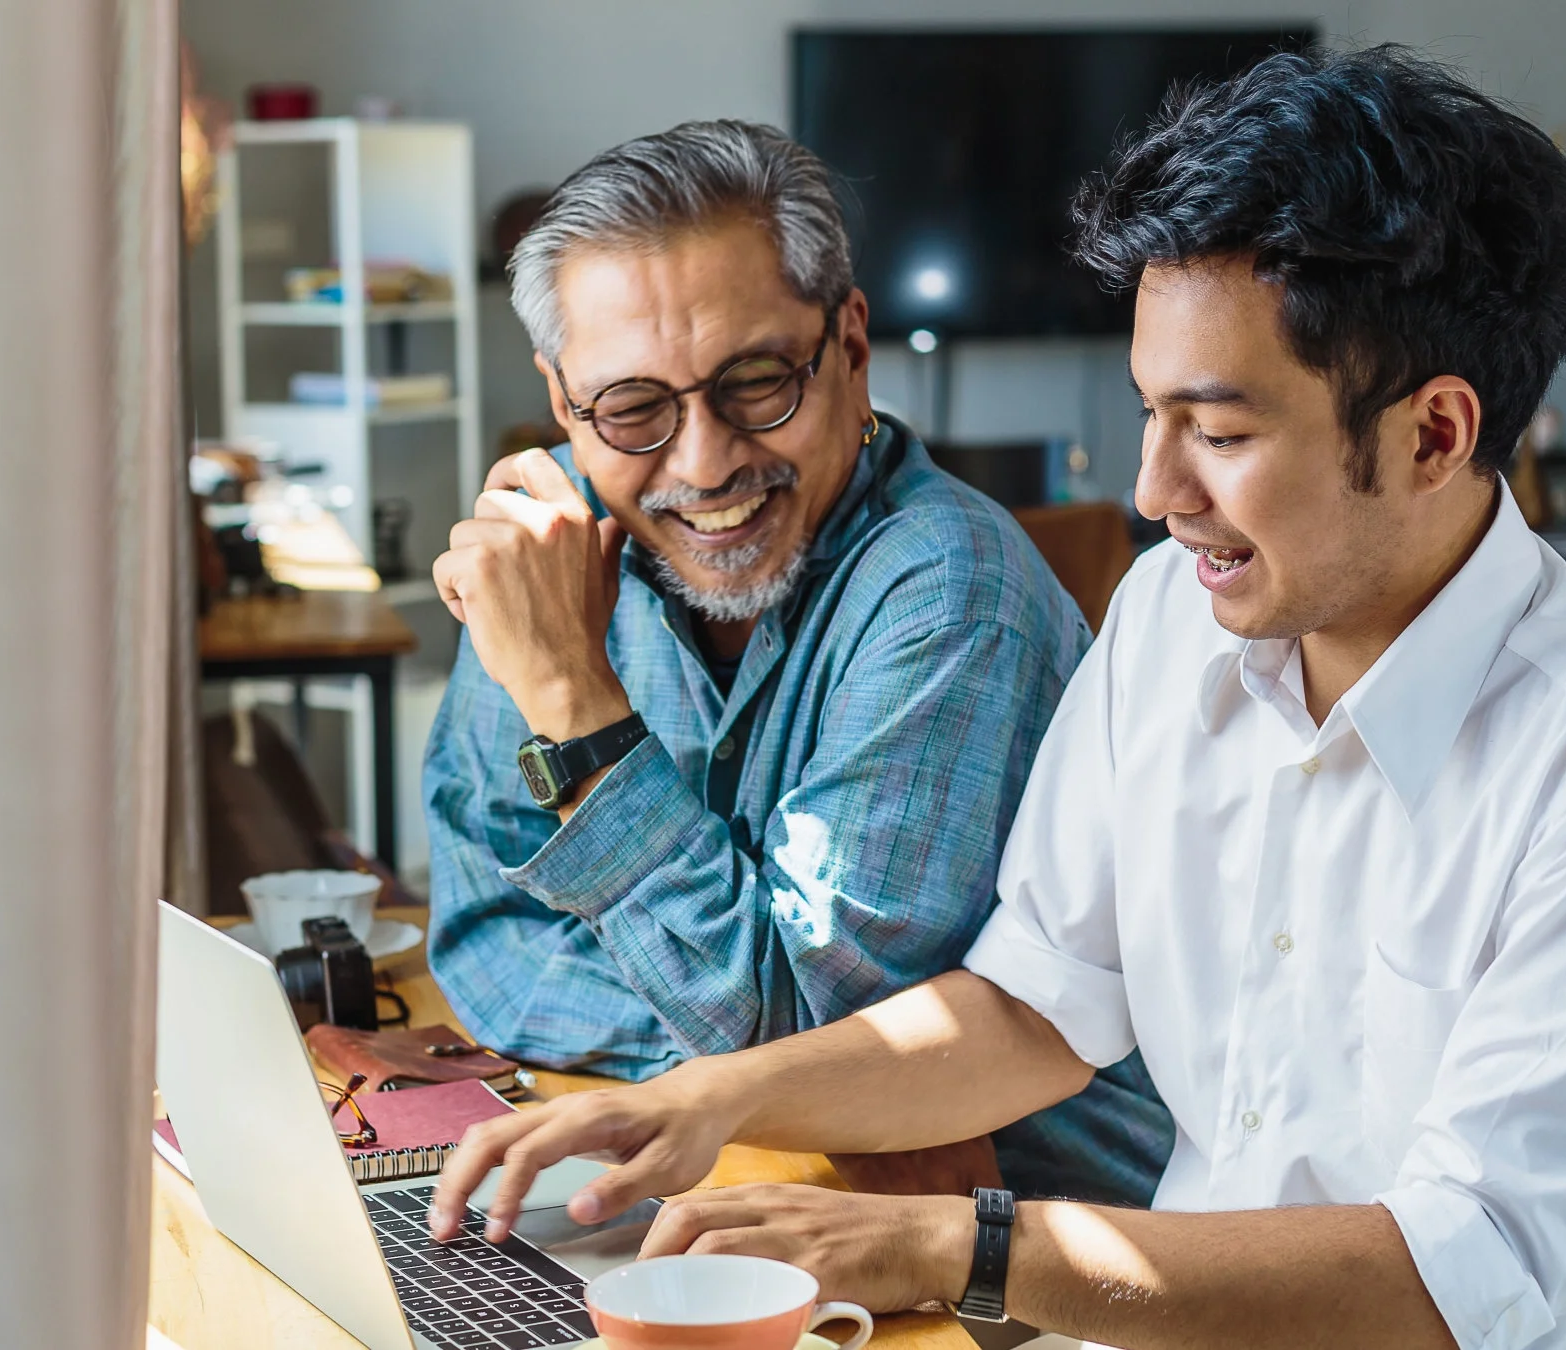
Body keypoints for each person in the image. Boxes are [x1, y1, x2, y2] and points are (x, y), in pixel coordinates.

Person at [430, 48, 1566, 1350]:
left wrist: (957, 1246)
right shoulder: (1169, 622)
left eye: (1222, 432)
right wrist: (708, 1100)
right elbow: (1032, 1008)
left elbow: (1464, 1277)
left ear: (1434, 433)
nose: (1155, 491)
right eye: (1151, 415)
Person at [422, 120, 1170, 1204]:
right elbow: (485, 936)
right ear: (562, 403)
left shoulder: (950, 585)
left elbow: (804, 1029)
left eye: (756, 382)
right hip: (739, 1173)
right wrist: (726, 1075)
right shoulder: (543, 550)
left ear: (851, 348)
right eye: (632, 408)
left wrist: (571, 701)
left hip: (1011, 1241)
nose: (703, 462)